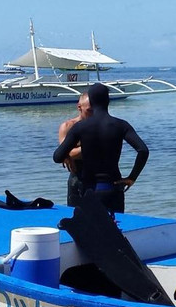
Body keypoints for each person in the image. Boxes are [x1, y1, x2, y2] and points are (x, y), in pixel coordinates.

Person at [53, 83, 149, 214]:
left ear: (91, 101)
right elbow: (143, 151)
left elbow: (57, 157)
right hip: (113, 188)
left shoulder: (80, 127)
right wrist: (132, 177)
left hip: (88, 189)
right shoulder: (121, 125)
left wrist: (68, 156)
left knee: (87, 230)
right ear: (108, 101)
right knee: (115, 230)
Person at [57, 93, 92, 206]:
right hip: (77, 176)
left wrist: (75, 151)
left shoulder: (99, 125)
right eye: (89, 110)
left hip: (98, 176)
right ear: (79, 107)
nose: (93, 114)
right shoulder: (67, 126)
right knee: (75, 214)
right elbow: (64, 154)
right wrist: (94, 146)